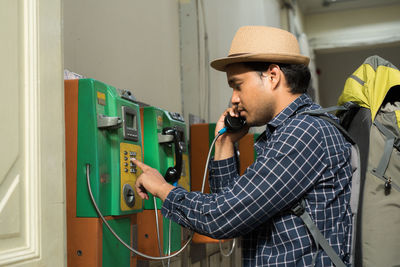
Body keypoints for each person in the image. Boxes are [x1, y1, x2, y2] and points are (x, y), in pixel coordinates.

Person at [133, 26, 352, 266]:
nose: (234, 99)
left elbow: (220, 218)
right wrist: (225, 142)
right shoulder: (289, 132)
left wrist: (162, 189)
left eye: (238, 85)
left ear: (272, 76)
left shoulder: (303, 133)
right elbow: (232, 207)